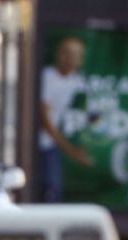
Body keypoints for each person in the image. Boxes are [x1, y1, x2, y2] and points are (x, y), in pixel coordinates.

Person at [40, 36, 94, 202]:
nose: (69, 58)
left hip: (51, 144)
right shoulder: (46, 76)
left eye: (75, 54)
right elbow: (45, 120)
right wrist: (71, 150)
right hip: (42, 145)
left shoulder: (78, 82)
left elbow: (90, 112)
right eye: (65, 53)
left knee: (54, 191)